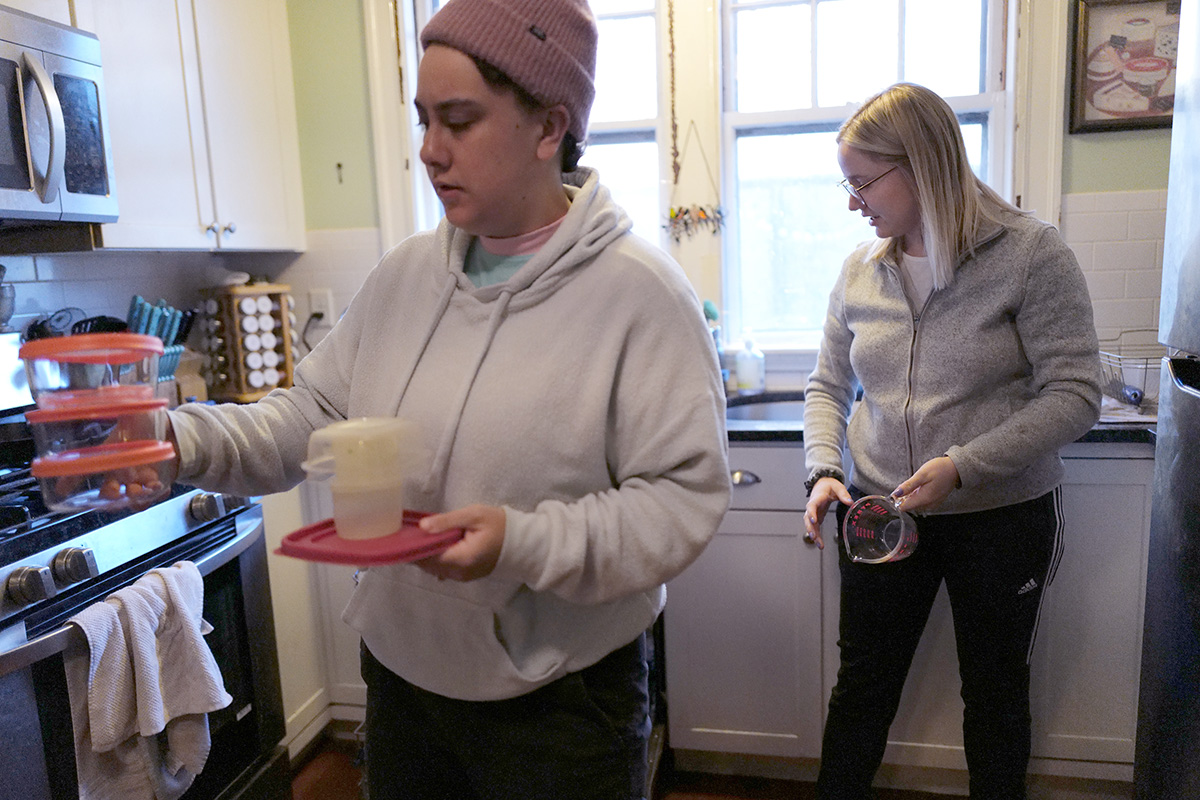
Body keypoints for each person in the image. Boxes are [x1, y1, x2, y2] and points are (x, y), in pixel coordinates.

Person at [166, 0, 731, 797]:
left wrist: (521, 542)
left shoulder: (640, 296)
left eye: (459, 121)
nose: (430, 151)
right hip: (402, 684)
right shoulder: (404, 276)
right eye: (423, 119)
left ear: (548, 128)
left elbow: (682, 503)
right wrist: (174, 444)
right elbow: (309, 420)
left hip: (561, 709)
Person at [801, 83, 1101, 800]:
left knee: (994, 696)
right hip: (880, 513)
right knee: (861, 690)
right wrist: (821, 469)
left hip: (999, 518)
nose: (853, 202)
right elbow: (826, 386)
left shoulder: (1031, 255)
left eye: (862, 182)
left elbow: (1075, 394)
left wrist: (963, 467)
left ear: (922, 165)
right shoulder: (859, 270)